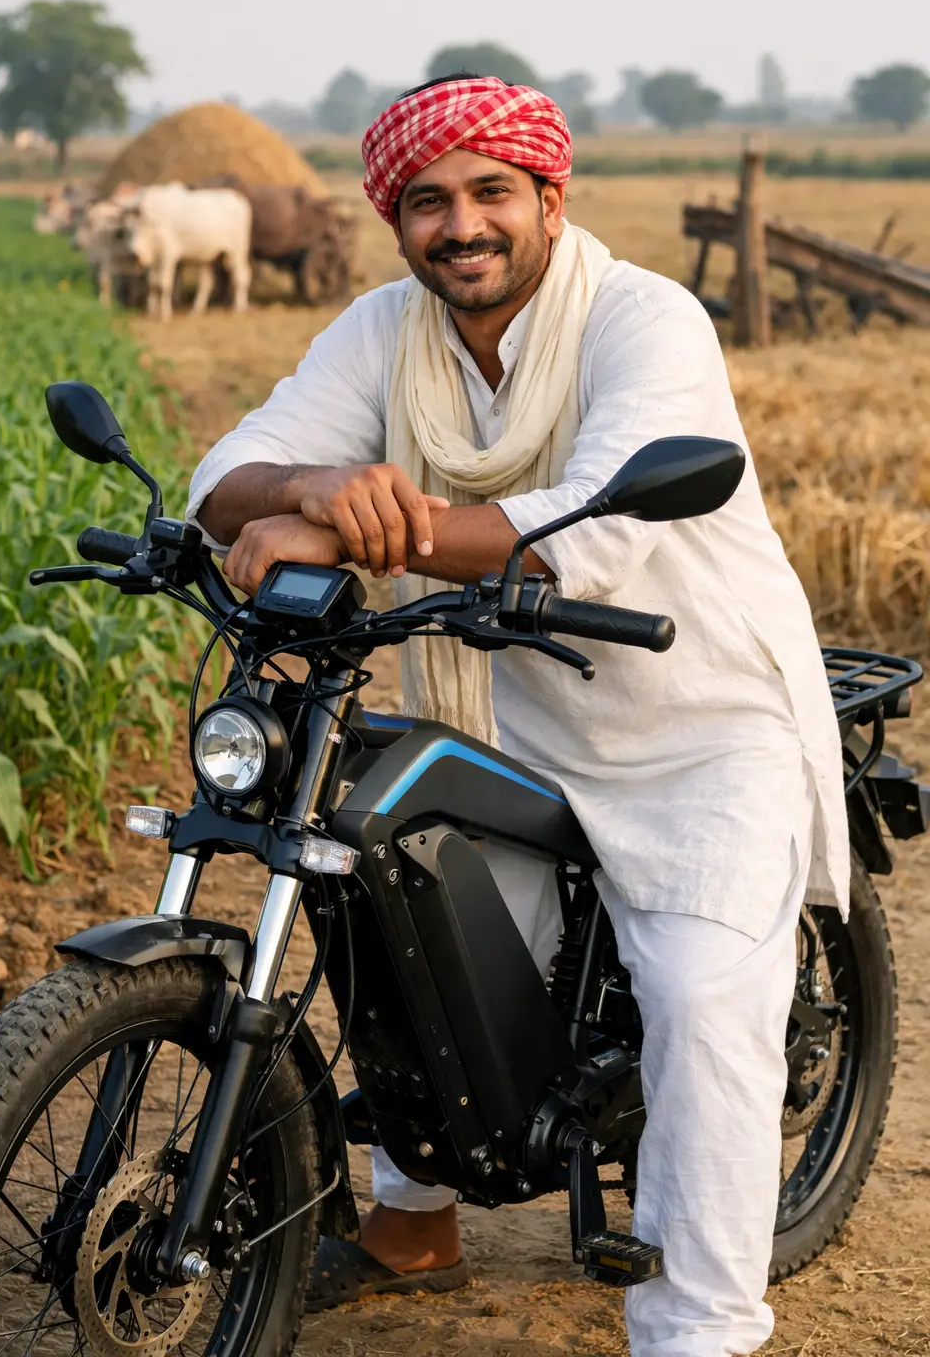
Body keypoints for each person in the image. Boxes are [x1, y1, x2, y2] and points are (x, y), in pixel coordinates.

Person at [187, 73, 847, 1356]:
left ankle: (699, 1325)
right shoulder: (386, 329)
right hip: (516, 709)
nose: (461, 224)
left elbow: (590, 527)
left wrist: (357, 524)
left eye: (492, 192)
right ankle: (411, 1220)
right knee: (392, 908)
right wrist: (313, 480)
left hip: (697, 721)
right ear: (395, 223)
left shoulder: (643, 319)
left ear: (550, 199)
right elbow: (227, 471)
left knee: (704, 1004)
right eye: (427, 202)